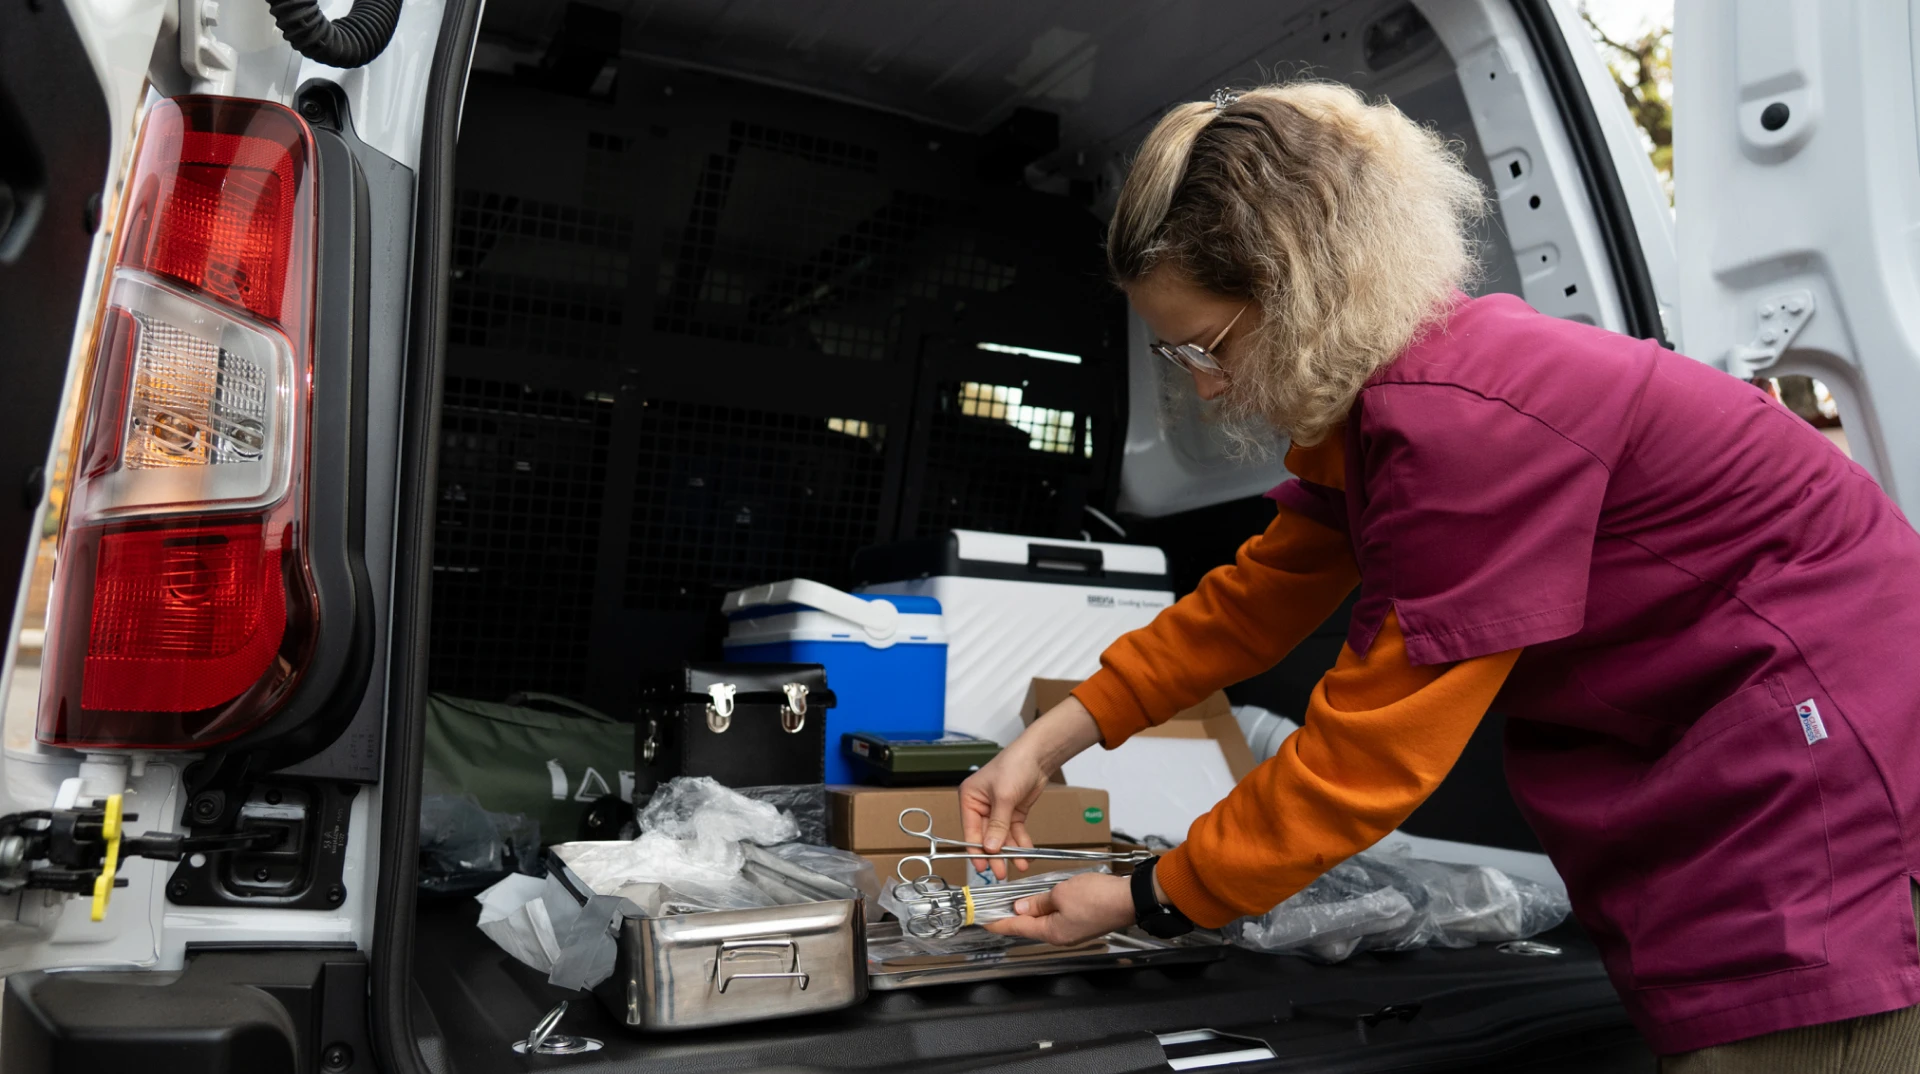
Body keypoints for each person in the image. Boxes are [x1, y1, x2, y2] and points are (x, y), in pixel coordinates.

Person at [958, 82, 1920, 1072]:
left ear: (1304, 287)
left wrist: (1145, 899)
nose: (1203, 384)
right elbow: (1249, 605)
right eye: (1176, 353)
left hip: (1826, 765)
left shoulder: (1466, 422)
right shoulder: (1389, 407)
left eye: (1209, 345)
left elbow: (1365, 763)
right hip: (1722, 761)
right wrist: (1053, 738)